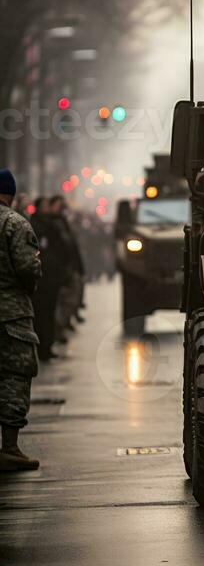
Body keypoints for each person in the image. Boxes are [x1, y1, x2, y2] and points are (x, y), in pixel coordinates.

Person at [0, 168, 41, 471]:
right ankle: (10, 448)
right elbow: (29, 269)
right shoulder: (15, 224)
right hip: (11, 314)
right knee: (14, 374)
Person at [48, 196, 85, 341]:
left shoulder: (63, 222)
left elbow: (71, 246)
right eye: (58, 205)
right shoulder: (50, 224)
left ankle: (61, 326)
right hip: (60, 268)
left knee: (72, 299)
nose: (61, 208)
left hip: (69, 266)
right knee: (63, 300)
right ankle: (58, 329)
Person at [30, 197, 61, 361]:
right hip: (43, 276)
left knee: (49, 312)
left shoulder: (53, 223)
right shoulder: (35, 224)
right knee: (41, 313)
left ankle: (47, 345)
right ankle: (42, 347)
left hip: (52, 274)